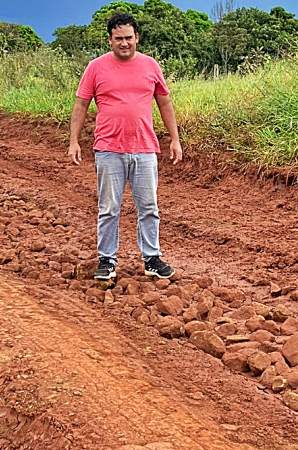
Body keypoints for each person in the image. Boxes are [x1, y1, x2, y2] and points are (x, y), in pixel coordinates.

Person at [69, 11, 182, 281]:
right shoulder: (95, 67)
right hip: (108, 149)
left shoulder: (150, 66)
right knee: (109, 208)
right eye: (118, 38)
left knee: (149, 207)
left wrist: (175, 138)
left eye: (128, 38)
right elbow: (81, 105)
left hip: (144, 148)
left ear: (137, 37)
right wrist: (73, 140)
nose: (124, 43)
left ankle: (152, 258)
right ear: (110, 39)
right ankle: (107, 260)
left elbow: (164, 102)